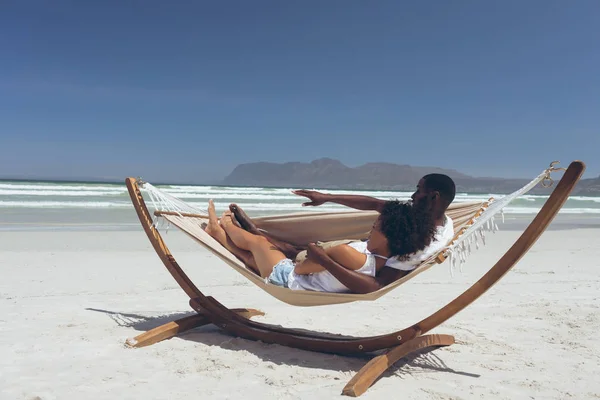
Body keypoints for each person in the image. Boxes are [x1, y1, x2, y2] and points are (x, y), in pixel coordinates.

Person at [228, 173, 456, 293]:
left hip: (353, 261)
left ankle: (255, 235)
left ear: (434, 196)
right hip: (360, 249)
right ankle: (258, 234)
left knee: (295, 252)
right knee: (296, 249)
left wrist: (324, 261)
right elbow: (375, 204)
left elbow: (376, 286)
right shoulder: (419, 218)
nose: (414, 195)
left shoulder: (426, 243)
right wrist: (326, 198)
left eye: (419, 190)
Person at [204, 199, 437, 294]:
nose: (370, 230)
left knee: (258, 243)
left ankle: (224, 226)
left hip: (288, 279)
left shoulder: (347, 253)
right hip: (299, 283)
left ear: (387, 236)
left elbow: (299, 269)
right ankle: (218, 235)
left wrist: (318, 255)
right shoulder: (385, 263)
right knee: (249, 258)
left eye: (375, 227)